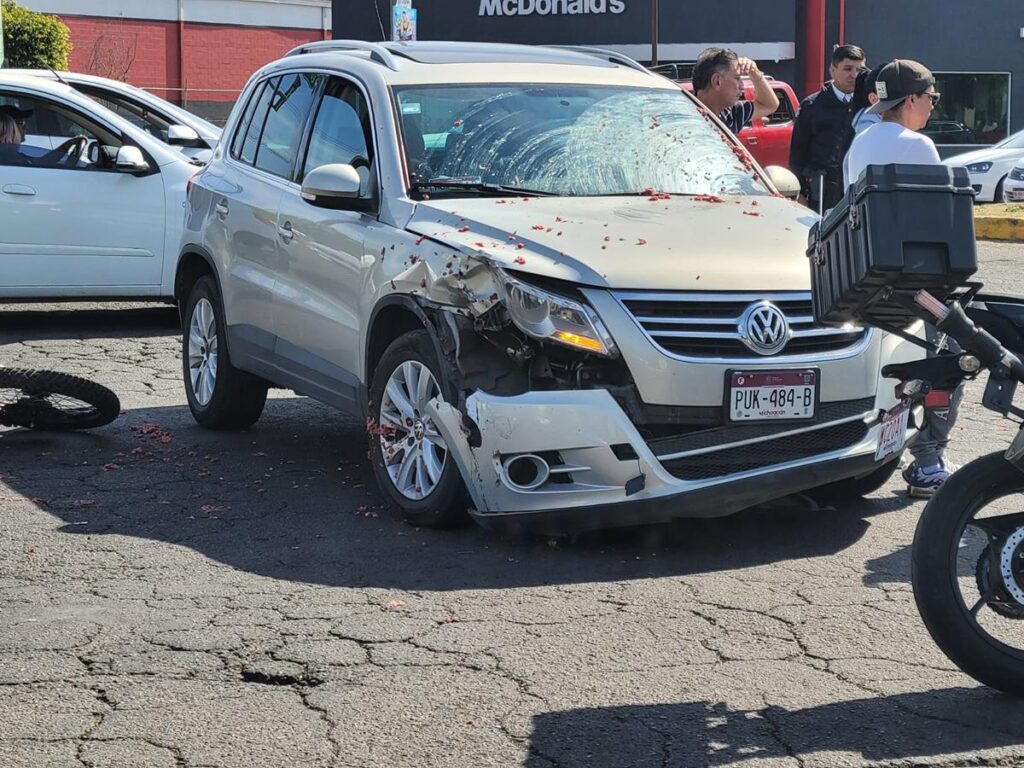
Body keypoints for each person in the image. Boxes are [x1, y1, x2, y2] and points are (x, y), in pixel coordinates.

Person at [845, 58, 961, 497]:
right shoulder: (918, 145)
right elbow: (937, 222)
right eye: (930, 97)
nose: (932, 106)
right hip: (920, 281)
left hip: (870, 278)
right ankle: (929, 459)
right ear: (910, 99)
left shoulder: (860, 142)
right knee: (954, 354)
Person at [789, 44, 867, 210]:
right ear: (833, 69)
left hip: (856, 186)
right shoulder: (812, 105)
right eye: (847, 69)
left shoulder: (867, 105)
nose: (854, 75)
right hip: (822, 189)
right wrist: (799, 193)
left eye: (859, 70)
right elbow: (798, 151)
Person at [692, 47, 779, 134]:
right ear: (717, 81)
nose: (742, 86)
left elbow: (769, 105)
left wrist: (754, 72)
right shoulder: (686, 119)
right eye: (737, 78)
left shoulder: (731, 113)